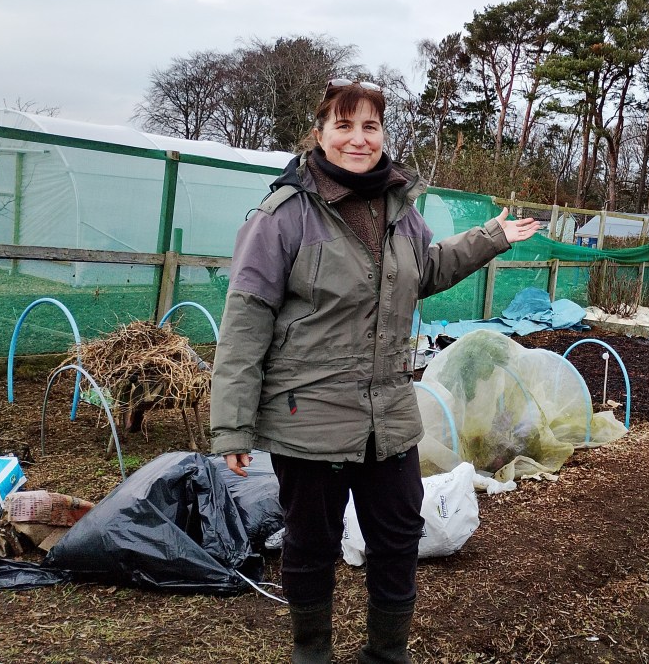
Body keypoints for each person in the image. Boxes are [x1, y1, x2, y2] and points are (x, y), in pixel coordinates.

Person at [209, 78, 540, 664]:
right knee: (311, 542)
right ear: (320, 134)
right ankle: (311, 653)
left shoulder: (399, 209)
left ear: (383, 134)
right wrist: (232, 426)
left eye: (370, 126)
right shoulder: (283, 216)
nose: (358, 139)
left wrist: (491, 237)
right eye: (344, 126)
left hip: (388, 412)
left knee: (398, 535)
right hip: (309, 414)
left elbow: (426, 270)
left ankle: (387, 655)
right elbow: (245, 320)